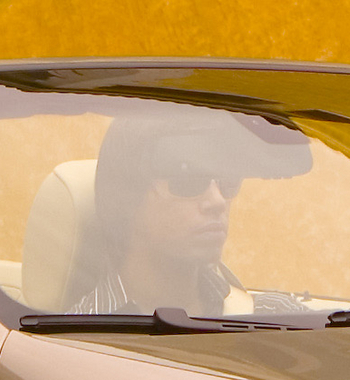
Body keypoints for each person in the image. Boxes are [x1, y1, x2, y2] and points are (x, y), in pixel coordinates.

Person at [67, 111, 299, 315]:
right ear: (127, 198)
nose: (218, 201)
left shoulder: (278, 318)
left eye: (227, 181)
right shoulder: (67, 346)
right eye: (188, 180)